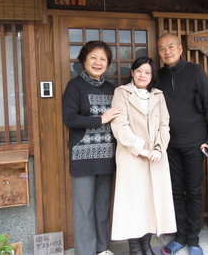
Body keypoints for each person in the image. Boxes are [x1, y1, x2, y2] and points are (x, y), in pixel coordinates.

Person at [157, 34, 208, 255]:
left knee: (193, 192)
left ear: (181, 48)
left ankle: (193, 240)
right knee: (175, 192)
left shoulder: (195, 72)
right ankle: (180, 237)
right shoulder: (158, 77)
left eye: (171, 46)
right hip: (170, 146)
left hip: (195, 144)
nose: (167, 51)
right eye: (162, 48)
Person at [110, 57, 176, 255]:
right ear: (132, 73)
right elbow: (119, 125)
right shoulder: (121, 93)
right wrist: (140, 148)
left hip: (155, 157)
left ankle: (147, 245)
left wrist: (158, 148)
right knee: (133, 202)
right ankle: (135, 248)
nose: (142, 75)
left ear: (151, 76)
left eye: (147, 72)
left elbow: (165, 124)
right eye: (139, 71)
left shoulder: (158, 95)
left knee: (151, 201)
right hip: (132, 156)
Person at [62, 40, 122, 255]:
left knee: (102, 208)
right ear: (84, 61)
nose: (98, 62)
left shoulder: (111, 89)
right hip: (83, 157)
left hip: (107, 156)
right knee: (84, 210)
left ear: (108, 63)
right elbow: (69, 119)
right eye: (93, 58)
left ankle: (102, 248)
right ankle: (85, 252)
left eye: (103, 59)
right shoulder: (75, 86)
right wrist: (100, 119)